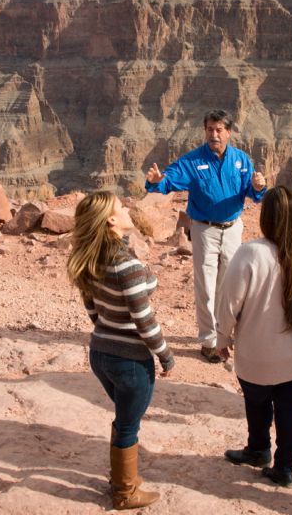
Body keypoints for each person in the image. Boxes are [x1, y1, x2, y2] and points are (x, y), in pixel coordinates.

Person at [215, 185, 292, 488]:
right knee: (290, 404)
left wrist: (221, 339)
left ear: (266, 217)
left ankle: (258, 449)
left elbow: (229, 304)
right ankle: (284, 468)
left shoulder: (251, 253)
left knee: (257, 400)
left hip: (259, 355)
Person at [66, 191, 175, 510]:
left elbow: (91, 305)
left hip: (100, 353)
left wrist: (106, 325)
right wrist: (165, 354)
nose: (128, 209)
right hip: (130, 361)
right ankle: (124, 492)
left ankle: (121, 478)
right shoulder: (125, 264)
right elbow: (143, 317)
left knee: (125, 419)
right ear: (112, 220)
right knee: (128, 423)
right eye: (121, 207)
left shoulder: (95, 257)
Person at [145, 109, 267, 363]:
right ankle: (210, 342)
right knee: (207, 287)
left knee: (230, 285)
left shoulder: (241, 160)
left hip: (233, 228)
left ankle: (226, 334)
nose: (214, 134)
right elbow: (169, 180)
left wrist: (258, 187)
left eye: (219, 129)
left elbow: (253, 193)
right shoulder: (193, 161)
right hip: (205, 230)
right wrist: (157, 181)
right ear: (205, 131)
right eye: (210, 129)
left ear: (229, 132)